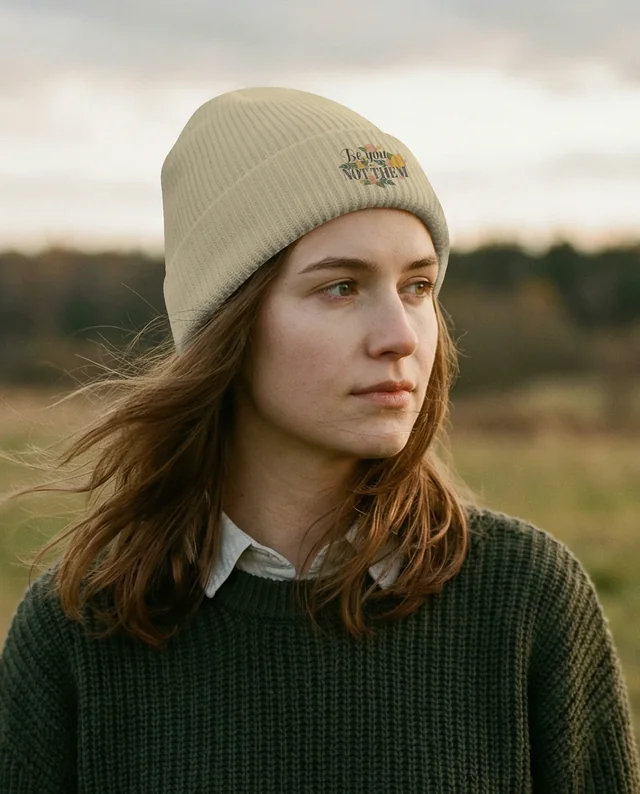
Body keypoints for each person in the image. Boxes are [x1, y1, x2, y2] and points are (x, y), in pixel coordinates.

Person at [1, 87, 638, 793]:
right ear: (228, 326)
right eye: (341, 288)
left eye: (418, 286)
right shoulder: (79, 633)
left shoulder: (525, 601)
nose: (400, 336)